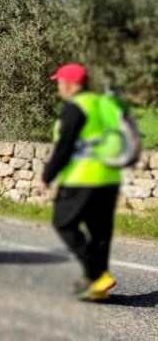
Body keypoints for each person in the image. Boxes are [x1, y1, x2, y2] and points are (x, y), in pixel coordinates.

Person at [40, 63, 122, 302]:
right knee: (100, 233)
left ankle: (97, 274)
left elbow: (65, 146)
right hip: (109, 178)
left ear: (71, 84)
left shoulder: (75, 107)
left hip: (83, 178)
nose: (58, 88)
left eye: (59, 83)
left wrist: (47, 175)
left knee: (63, 223)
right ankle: (97, 287)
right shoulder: (102, 104)